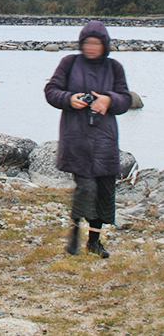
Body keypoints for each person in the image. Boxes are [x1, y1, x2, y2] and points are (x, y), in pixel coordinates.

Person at [45, 21, 131, 259]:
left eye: (97, 43)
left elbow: (125, 99)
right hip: (76, 138)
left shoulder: (114, 68)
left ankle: (94, 241)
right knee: (86, 188)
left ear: (105, 45)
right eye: (87, 43)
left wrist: (109, 100)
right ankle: (74, 229)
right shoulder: (69, 63)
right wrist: (69, 98)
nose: (92, 47)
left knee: (104, 190)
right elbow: (51, 91)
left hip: (105, 139)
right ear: (81, 44)